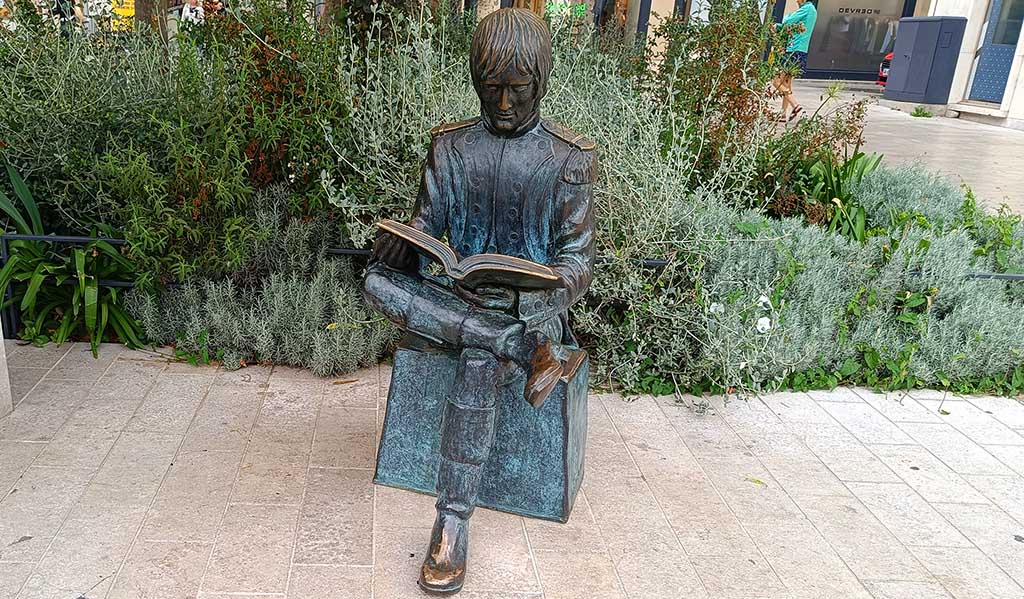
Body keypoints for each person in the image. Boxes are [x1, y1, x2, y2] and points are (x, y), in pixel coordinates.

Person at [363, 8, 595, 595]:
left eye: (518, 91)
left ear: (541, 82)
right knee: (373, 281)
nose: (505, 105)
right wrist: (403, 248)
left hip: (526, 308)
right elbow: (426, 229)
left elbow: (577, 264)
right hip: (456, 297)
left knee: (476, 359)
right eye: (492, 90)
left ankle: (451, 523)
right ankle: (518, 348)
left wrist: (536, 291)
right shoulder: (450, 147)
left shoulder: (569, 160)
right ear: (475, 82)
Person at [773, 0, 817, 122]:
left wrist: (781, 24)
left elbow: (787, 21)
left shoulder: (806, 9)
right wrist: (779, 27)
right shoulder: (811, 10)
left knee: (777, 82)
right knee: (786, 84)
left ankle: (796, 106)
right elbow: (792, 27)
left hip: (793, 50)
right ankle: (782, 114)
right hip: (801, 51)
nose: (796, 1)